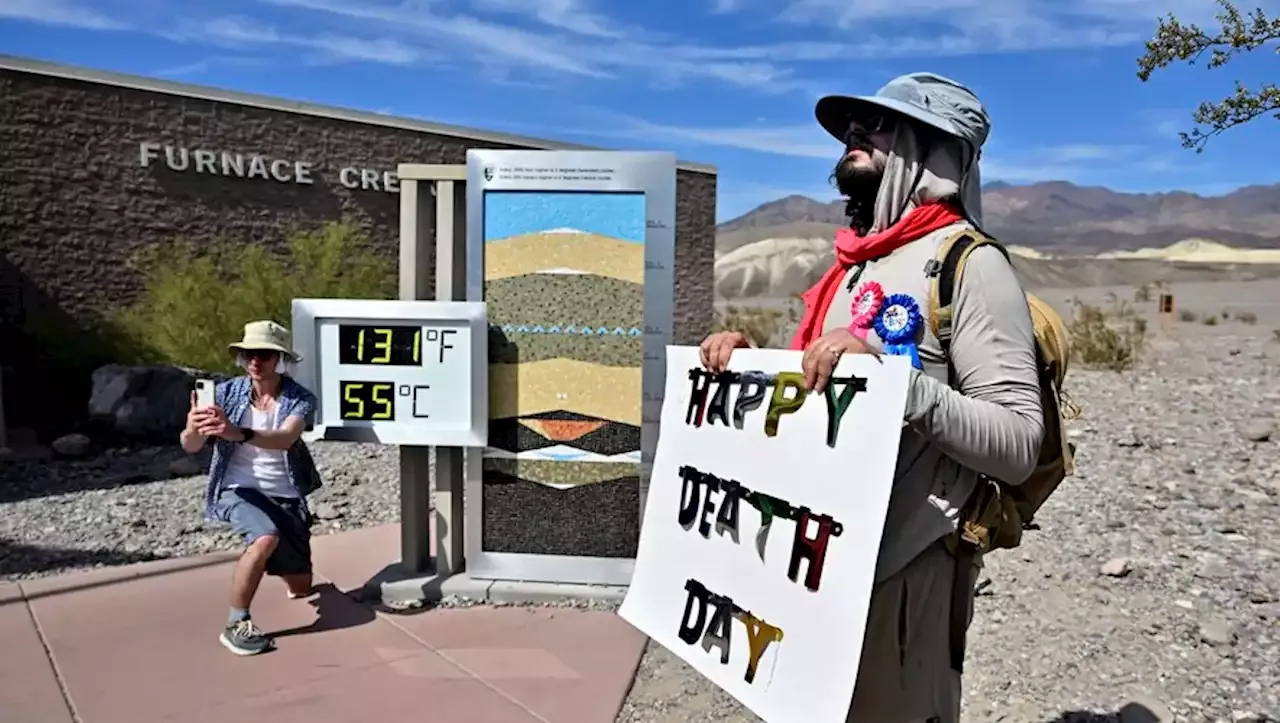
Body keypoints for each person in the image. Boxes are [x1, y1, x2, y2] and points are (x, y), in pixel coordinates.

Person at [700, 72, 1045, 722]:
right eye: (854, 127)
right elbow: (818, 390)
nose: (855, 134)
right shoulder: (852, 264)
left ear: (935, 151)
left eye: (880, 126)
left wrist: (897, 383)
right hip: (814, 566)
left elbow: (1019, 444)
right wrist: (746, 366)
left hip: (907, 571)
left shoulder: (971, 265)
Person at [181, 320, 323, 657]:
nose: (254, 362)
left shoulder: (300, 399)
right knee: (264, 537)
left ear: (280, 359)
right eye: (247, 355)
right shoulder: (227, 393)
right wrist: (194, 427)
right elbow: (189, 446)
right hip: (238, 489)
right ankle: (236, 623)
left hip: (285, 494)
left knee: (301, 586)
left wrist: (237, 432)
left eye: (262, 355)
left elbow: (286, 438)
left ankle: (269, 561)